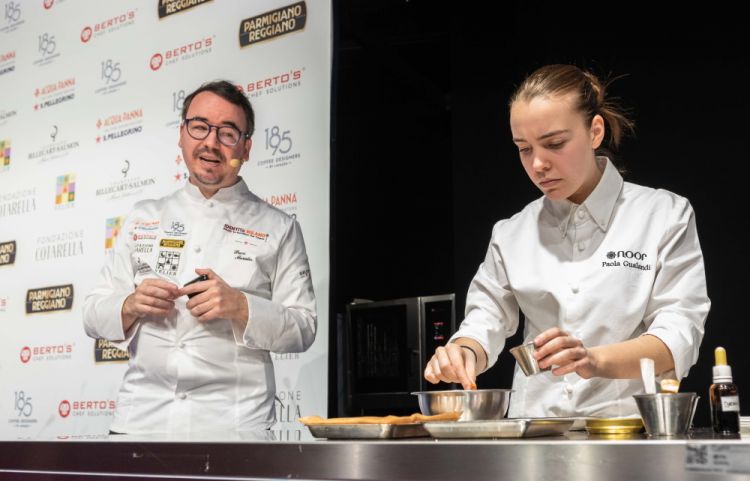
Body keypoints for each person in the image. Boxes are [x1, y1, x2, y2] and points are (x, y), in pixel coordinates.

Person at [424, 64, 709, 418]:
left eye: (555, 143)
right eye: (523, 148)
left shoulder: (663, 214)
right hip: (537, 430)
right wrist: (463, 351)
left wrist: (593, 359)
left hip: (626, 430)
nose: (538, 163)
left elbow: (678, 334)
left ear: (595, 131)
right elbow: (486, 319)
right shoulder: (512, 232)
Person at [83, 80, 317, 434]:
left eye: (228, 133)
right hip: (141, 421)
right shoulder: (143, 216)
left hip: (235, 427)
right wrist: (130, 305)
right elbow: (91, 315)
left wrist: (241, 306)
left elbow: (304, 327)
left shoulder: (279, 227)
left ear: (247, 147)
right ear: (182, 134)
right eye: (200, 127)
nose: (210, 142)